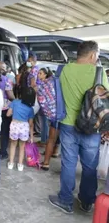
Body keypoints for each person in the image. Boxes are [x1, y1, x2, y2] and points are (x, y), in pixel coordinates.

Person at [49, 41, 109, 214]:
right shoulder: (99, 72)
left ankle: (65, 200)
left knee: (68, 163)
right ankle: (87, 201)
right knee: (90, 166)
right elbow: (105, 99)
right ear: (92, 55)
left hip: (68, 124)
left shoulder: (64, 70)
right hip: (92, 127)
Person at [7, 87, 35, 172]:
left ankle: (11, 163)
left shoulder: (15, 102)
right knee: (22, 147)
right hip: (24, 126)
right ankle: (20, 165)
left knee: (13, 144)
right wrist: (32, 136)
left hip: (14, 125)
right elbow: (30, 124)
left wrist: (13, 112)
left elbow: (8, 114)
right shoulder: (31, 109)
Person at [37, 68, 60, 171]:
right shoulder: (58, 82)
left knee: (51, 139)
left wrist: (48, 114)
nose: (38, 75)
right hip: (67, 114)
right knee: (59, 136)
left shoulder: (43, 86)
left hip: (55, 114)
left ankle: (46, 163)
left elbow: (42, 102)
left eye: (40, 73)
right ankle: (55, 152)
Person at [0, 61, 15, 160]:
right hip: (5, 109)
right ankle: (3, 151)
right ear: (2, 69)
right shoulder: (6, 80)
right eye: (5, 68)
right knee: (4, 131)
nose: (6, 69)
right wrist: (16, 101)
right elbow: (10, 95)